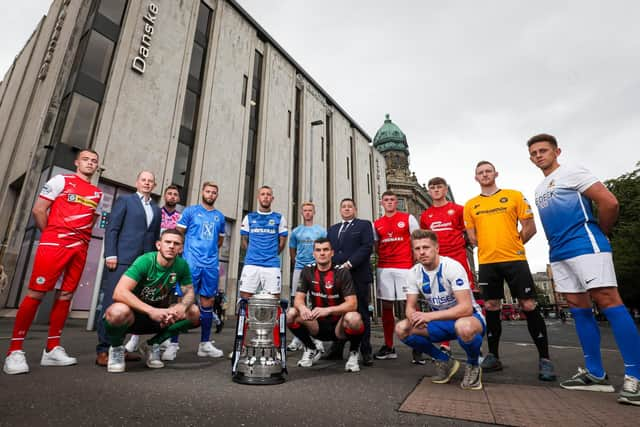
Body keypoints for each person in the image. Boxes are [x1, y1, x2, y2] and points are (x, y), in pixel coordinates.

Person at [528, 133, 640, 405]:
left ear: (557, 151)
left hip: (585, 244)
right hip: (559, 251)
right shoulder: (540, 188)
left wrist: (601, 232)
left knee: (609, 301)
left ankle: (635, 377)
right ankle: (595, 374)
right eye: (533, 153)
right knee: (578, 309)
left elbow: (609, 202)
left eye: (543, 150)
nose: (538, 155)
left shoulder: (572, 171)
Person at [4, 150, 103, 375]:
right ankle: (15, 351)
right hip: (55, 244)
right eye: (86, 159)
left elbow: (91, 219)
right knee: (37, 293)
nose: (90, 163)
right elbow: (39, 209)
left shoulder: (97, 193)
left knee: (66, 295)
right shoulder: (61, 180)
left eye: (94, 161)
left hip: (81, 247)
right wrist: (50, 235)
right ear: (77, 162)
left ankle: (52, 349)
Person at [464, 161, 555, 381]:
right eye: (480, 172)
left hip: (515, 259)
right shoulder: (471, 205)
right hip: (487, 262)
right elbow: (472, 236)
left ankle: (545, 359)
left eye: (488, 171)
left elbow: (530, 227)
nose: (484, 175)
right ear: (476, 177)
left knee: (528, 304)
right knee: (491, 306)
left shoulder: (514, 196)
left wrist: (514, 243)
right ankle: (493, 356)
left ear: (496, 173)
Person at [396, 230, 486, 390]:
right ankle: (444, 360)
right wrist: (413, 317)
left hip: (470, 318)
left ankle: (473, 363)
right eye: (417, 249)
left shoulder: (452, 267)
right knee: (402, 328)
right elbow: (409, 306)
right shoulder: (414, 273)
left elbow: (465, 308)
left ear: (437, 248)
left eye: (426, 247)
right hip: (440, 322)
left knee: (463, 327)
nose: (422, 252)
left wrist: (428, 316)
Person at [102, 229, 201, 372]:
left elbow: (189, 291)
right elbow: (119, 292)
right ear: (158, 245)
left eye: (176, 243)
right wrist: (151, 310)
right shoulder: (146, 260)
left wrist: (182, 306)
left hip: (159, 318)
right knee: (117, 311)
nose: (171, 246)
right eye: (167, 242)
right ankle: (117, 349)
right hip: (134, 316)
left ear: (181, 248)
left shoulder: (181, 265)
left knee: (193, 312)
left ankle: (152, 345)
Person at [95, 171, 161, 367]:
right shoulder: (125, 201)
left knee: (131, 306)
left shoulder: (156, 209)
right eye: (143, 180)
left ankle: (118, 348)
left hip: (143, 265)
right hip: (122, 259)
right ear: (137, 182)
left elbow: (154, 237)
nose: (147, 183)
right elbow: (112, 228)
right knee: (112, 303)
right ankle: (103, 349)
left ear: (154, 185)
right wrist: (111, 254)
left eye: (150, 181)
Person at [163, 182, 226, 360]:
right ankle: (173, 344)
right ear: (202, 192)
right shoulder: (190, 212)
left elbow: (219, 241)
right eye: (208, 191)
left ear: (216, 195)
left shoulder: (220, 217)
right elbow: (178, 232)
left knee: (208, 303)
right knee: (183, 301)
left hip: (210, 266)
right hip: (191, 264)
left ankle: (205, 344)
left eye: (214, 192)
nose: (211, 194)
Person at [287, 238, 364, 372]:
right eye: (318, 250)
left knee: (354, 318)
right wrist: (303, 308)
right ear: (314, 254)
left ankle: (353, 353)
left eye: (325, 250)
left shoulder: (341, 272)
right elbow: (298, 299)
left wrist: (328, 310)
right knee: (291, 314)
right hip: (316, 324)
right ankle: (310, 348)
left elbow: (352, 304)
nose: (322, 253)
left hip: (339, 326)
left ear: (332, 253)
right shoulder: (307, 271)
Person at [125, 184, 182, 353]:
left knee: (168, 298)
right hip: (153, 261)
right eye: (169, 194)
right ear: (165, 196)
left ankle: (162, 338)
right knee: (144, 296)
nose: (172, 196)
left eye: (175, 195)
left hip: (171, 264)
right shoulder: (156, 212)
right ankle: (134, 338)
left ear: (178, 199)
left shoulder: (181, 217)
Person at [237, 186, 288, 353]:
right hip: (251, 264)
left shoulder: (279, 218)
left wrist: (270, 254)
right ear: (258, 197)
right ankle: (243, 345)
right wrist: (253, 252)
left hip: (271, 265)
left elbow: (282, 243)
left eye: (269, 195)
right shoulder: (249, 217)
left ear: (272, 198)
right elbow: (244, 239)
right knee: (245, 302)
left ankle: (273, 347)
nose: (266, 197)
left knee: (273, 304)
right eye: (263, 194)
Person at [373, 191, 419, 362]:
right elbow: (377, 245)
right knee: (386, 306)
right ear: (382, 203)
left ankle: (418, 346)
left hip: (405, 267)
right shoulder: (376, 223)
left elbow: (416, 241)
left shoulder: (408, 218)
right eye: (386, 200)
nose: (390, 202)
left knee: (410, 305)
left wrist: (414, 263)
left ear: (396, 202)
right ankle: (389, 346)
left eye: (392, 200)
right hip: (384, 268)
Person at [327, 198, 374, 365]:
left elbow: (367, 247)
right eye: (344, 207)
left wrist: (349, 264)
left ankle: (365, 350)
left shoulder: (364, 225)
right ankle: (337, 348)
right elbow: (329, 251)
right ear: (340, 210)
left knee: (361, 312)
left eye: (349, 206)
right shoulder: (333, 229)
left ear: (355, 209)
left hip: (358, 276)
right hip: (337, 278)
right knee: (339, 311)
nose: (346, 209)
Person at [287, 201, 327, 352]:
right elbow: (292, 250)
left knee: (317, 302)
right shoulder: (296, 231)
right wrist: (296, 261)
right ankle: (298, 338)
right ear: (302, 213)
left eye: (310, 210)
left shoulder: (321, 231)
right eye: (305, 210)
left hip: (316, 270)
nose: (308, 212)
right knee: (297, 303)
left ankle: (318, 339)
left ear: (314, 212)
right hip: (299, 269)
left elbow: (325, 250)